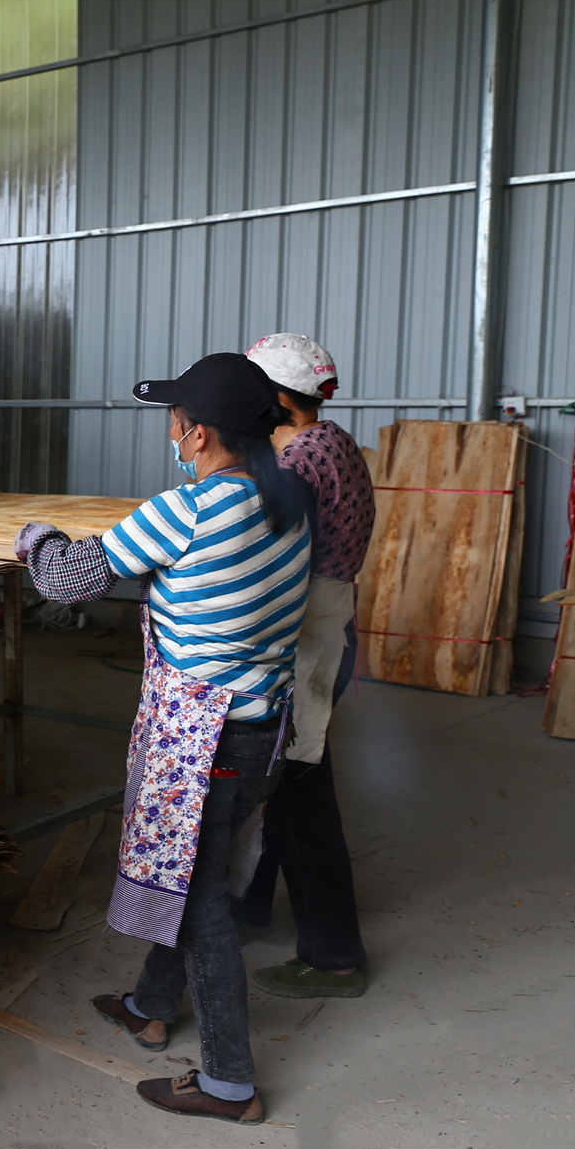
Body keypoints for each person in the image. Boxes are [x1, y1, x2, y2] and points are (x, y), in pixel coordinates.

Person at [13, 353, 312, 1127]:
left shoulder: (189, 510)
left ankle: (229, 1083)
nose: (171, 429)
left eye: (175, 417)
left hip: (204, 738)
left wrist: (35, 537)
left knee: (202, 897)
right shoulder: (292, 500)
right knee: (197, 871)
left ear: (199, 431)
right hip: (263, 728)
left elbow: (71, 577)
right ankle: (151, 1004)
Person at [231, 333, 374, 998]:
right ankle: (249, 906)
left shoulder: (300, 463)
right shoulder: (333, 439)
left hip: (309, 634)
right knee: (274, 780)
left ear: (278, 397)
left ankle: (334, 956)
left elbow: (257, 539)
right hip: (330, 621)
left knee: (299, 798)